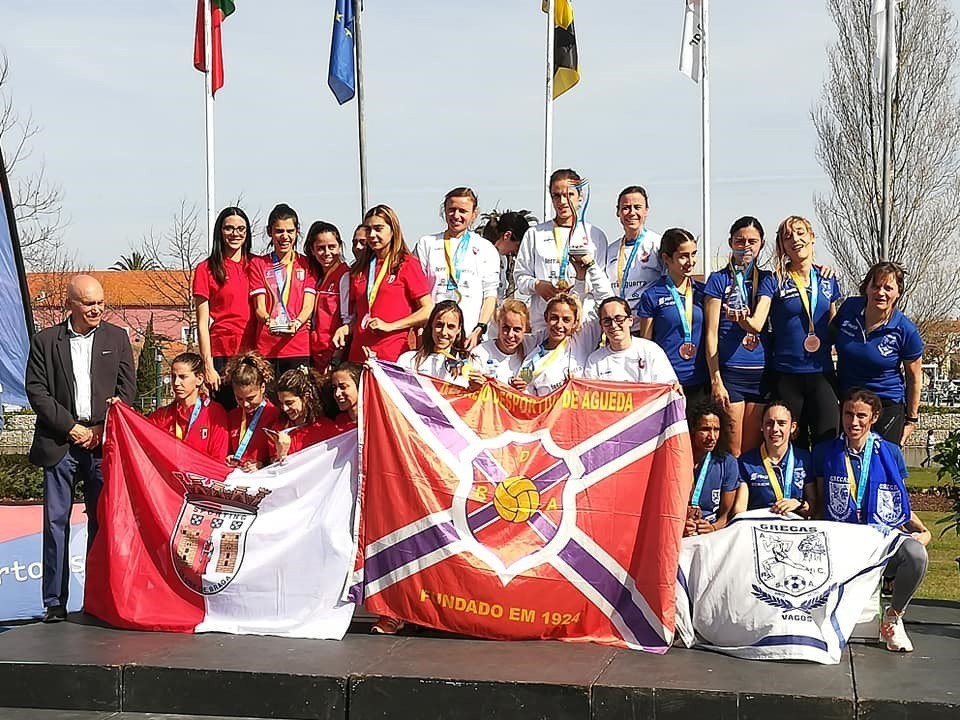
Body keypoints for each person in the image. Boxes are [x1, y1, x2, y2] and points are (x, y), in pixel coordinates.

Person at [25, 274, 135, 623]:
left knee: (101, 523)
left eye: (100, 302)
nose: (96, 309)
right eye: (89, 303)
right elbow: (37, 391)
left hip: (102, 445)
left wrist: (101, 429)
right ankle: (54, 603)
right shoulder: (45, 341)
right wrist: (71, 428)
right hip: (60, 443)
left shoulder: (117, 338)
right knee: (55, 522)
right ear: (69, 304)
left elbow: (127, 390)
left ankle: (97, 599)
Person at [812, 388, 931, 652]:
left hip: (879, 538)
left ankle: (894, 616)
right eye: (848, 414)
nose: (853, 422)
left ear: (874, 417)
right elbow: (820, 504)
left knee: (916, 555)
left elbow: (898, 502)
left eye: (861, 416)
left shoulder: (890, 452)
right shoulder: (824, 452)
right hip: (840, 537)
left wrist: (923, 530)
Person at [704, 216, 777, 455]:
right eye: (740, 241)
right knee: (733, 452)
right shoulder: (718, 279)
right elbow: (711, 333)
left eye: (752, 241)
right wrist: (716, 379)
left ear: (761, 244)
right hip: (730, 377)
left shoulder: (767, 279)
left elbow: (757, 324)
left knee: (753, 451)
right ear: (730, 243)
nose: (746, 246)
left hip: (760, 376)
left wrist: (741, 319)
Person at [768, 216, 842, 447]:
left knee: (828, 442)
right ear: (782, 245)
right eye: (787, 236)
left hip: (821, 372)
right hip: (786, 374)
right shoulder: (776, 280)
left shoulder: (828, 278)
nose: (795, 239)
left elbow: (833, 323)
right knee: (791, 446)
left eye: (800, 232)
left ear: (812, 237)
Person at [832, 262, 923, 446]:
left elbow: (914, 378)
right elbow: (826, 338)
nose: (880, 293)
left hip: (885, 404)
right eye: (875, 286)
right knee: (844, 459)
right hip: (849, 402)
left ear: (898, 292)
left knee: (882, 459)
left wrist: (911, 420)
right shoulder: (849, 308)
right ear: (866, 288)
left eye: (888, 288)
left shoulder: (906, 330)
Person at [333, 205, 433, 362]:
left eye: (378, 229)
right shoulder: (360, 268)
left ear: (393, 230)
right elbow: (362, 315)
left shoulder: (407, 264)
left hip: (392, 355)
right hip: (359, 354)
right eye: (368, 230)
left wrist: (391, 326)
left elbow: (427, 310)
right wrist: (347, 328)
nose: (372, 235)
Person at [514, 169, 609, 332]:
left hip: (582, 323)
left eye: (569, 195)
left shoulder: (595, 235)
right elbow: (520, 277)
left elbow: (600, 282)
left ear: (580, 197)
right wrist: (537, 285)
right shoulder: (535, 234)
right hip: (544, 323)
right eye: (556, 196)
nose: (562, 201)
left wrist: (579, 287)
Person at [515, 252, 613, 396]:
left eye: (566, 320)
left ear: (575, 322)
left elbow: (608, 303)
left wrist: (590, 267)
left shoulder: (584, 339)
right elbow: (525, 398)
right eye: (554, 318)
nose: (559, 325)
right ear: (546, 317)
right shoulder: (532, 361)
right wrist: (518, 387)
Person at [413, 188, 500, 350]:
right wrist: (420, 329)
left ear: (474, 214)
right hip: (434, 334)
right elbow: (417, 291)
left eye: (463, 211)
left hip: (470, 335)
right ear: (444, 211)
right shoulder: (426, 244)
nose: (456, 215)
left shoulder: (486, 248)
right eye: (452, 210)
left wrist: (480, 328)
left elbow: (490, 294)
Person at [193, 206, 255, 411]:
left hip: (254, 353)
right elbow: (202, 323)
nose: (235, 233)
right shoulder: (206, 269)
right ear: (220, 231)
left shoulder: (256, 265)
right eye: (229, 228)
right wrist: (208, 366)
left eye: (241, 229)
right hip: (222, 352)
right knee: (225, 415)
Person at [637, 228, 709, 403]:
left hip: (699, 379)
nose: (690, 261)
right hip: (666, 380)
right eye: (683, 256)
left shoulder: (703, 292)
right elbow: (646, 344)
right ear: (666, 258)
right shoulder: (652, 295)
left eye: (693, 254)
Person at [248, 203, 318, 377]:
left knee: (296, 394)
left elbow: (308, 306)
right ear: (269, 232)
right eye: (279, 231)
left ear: (297, 232)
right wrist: (268, 320)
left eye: (290, 231)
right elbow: (259, 307)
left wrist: (297, 323)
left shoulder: (307, 264)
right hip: (267, 347)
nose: (285, 236)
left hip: (298, 346)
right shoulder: (259, 264)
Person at [738, 402, 816, 517]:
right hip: (759, 524)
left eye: (781, 423)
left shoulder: (804, 459)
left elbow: (814, 508)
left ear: (792, 427)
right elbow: (740, 509)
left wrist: (799, 504)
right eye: (769, 423)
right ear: (761, 426)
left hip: (794, 525)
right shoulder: (746, 462)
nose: (775, 429)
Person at [148, 352, 229, 461]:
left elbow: (218, 458)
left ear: (199, 379)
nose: (176, 383)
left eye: (183, 377)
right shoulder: (161, 416)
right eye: (173, 377)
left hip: (202, 471)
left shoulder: (214, 412)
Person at [584, 297, 678, 385]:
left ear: (630, 320)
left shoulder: (651, 351)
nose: (613, 325)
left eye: (619, 319)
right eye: (607, 321)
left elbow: (667, 387)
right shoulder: (594, 360)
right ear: (601, 326)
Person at [684, 400, 740, 537]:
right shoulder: (677, 460)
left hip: (712, 536)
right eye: (705, 429)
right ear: (692, 430)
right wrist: (680, 525)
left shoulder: (728, 463)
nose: (712, 437)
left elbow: (725, 516)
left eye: (716, 430)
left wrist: (713, 528)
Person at [604, 186, 663, 309]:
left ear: (646, 211)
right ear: (618, 212)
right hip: (619, 319)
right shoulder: (611, 250)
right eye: (626, 208)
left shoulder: (657, 244)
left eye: (637, 207)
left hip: (647, 318)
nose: (632, 213)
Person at [305, 220, 351, 372]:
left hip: (333, 355)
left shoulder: (344, 276)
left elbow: (347, 322)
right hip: (315, 354)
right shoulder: (317, 277)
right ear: (312, 250)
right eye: (320, 248)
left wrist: (336, 359)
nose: (327, 253)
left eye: (332, 247)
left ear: (340, 247)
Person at [224, 350, 281, 472]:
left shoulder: (274, 415)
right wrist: (229, 456)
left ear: (262, 387)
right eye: (239, 398)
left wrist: (262, 464)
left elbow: (280, 459)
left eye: (250, 398)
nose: (245, 404)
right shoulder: (232, 416)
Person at [268, 367, 338, 463]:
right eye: (281, 403)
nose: (285, 408)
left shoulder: (327, 428)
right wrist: (281, 453)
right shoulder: (278, 430)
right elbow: (273, 468)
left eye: (289, 403)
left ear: (306, 397)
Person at [398, 301, 474, 387]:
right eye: (439, 325)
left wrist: (476, 387)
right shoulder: (408, 360)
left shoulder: (470, 363)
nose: (444, 332)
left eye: (451, 326)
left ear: (459, 329)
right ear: (431, 325)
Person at [472, 299, 535, 385]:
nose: (510, 335)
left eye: (517, 329)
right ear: (498, 324)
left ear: (526, 329)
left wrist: (524, 387)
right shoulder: (481, 353)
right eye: (506, 328)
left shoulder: (531, 345)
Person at [483, 210, 532, 301]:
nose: (516, 252)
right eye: (518, 246)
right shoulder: (480, 255)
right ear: (507, 235)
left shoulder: (503, 259)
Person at [328, 362, 362, 431]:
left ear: (359, 386)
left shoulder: (376, 419)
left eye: (343, 387)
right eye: (334, 388)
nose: (337, 393)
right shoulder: (337, 424)